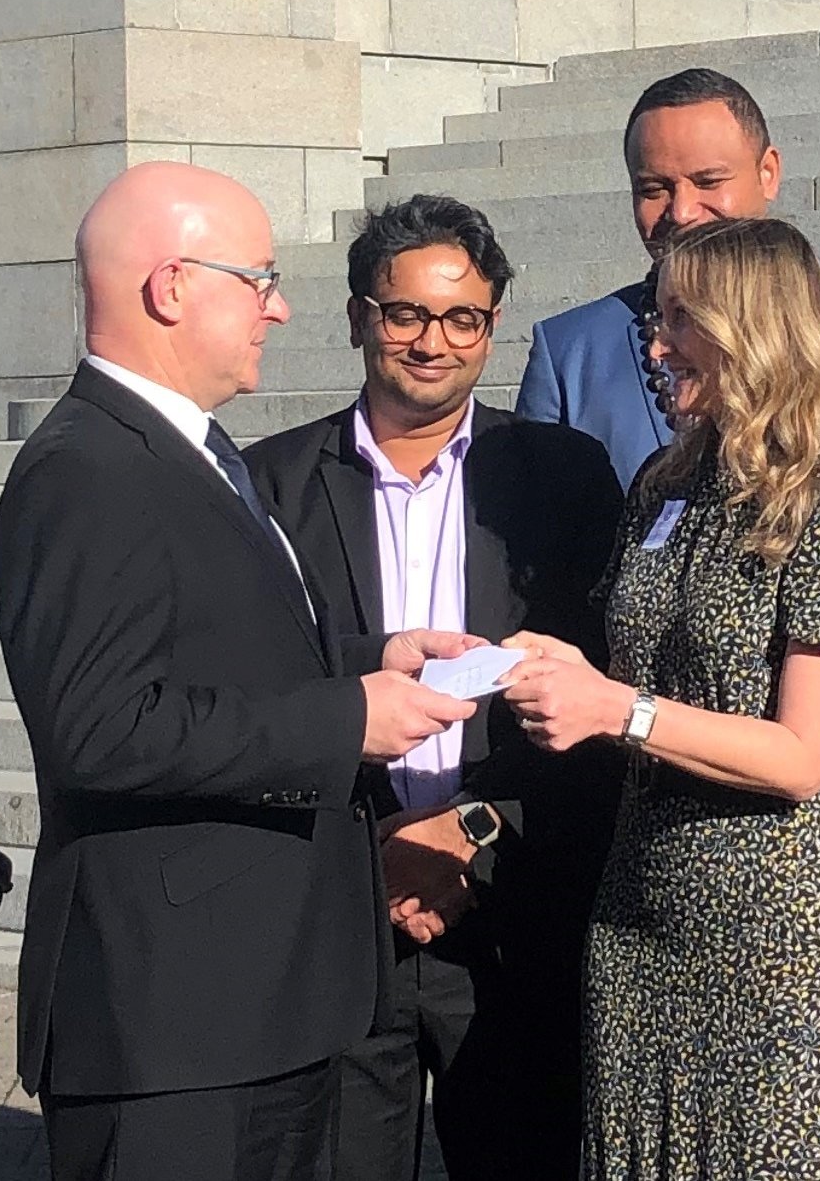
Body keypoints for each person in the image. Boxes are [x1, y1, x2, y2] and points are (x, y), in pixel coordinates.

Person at [0, 161, 478, 1181]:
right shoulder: (90, 466)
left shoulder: (195, 452)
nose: (280, 308)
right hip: (172, 1023)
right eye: (256, 281)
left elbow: (214, 657)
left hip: (248, 1008)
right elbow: (100, 726)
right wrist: (346, 719)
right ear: (172, 287)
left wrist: (368, 659)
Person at [513, 68, 820, 1162]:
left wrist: (621, 709)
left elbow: (808, 747)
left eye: (678, 330)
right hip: (644, 910)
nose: (651, 351)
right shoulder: (665, 486)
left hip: (783, 926)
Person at [245, 194, 627, 1181]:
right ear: (360, 315)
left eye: (464, 317)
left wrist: (471, 830)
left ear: (493, 325)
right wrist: (372, 858)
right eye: (406, 311)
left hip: (507, 921)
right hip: (341, 914)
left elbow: (604, 695)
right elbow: (256, 701)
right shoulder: (268, 487)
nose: (434, 341)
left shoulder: (560, 477)